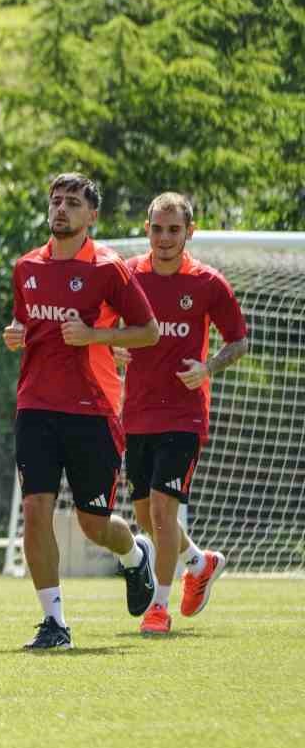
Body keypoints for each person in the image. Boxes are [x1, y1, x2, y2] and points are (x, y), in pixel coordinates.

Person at [3, 172, 160, 650]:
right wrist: (15, 332)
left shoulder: (109, 268)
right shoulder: (26, 266)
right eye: (56, 201)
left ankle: (135, 556)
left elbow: (148, 331)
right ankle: (54, 622)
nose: (61, 209)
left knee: (94, 524)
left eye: (72, 203)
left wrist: (97, 337)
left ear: (92, 216)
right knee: (36, 511)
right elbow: (24, 321)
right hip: (35, 405)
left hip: (93, 409)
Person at [118, 192, 248, 634]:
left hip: (183, 414)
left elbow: (238, 339)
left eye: (174, 230)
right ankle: (200, 561)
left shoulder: (208, 282)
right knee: (144, 515)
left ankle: (158, 606)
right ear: (147, 228)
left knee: (161, 509)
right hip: (136, 412)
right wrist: (114, 345)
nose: (165, 237)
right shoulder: (129, 274)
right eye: (157, 228)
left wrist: (208, 367)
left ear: (189, 232)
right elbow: (105, 322)